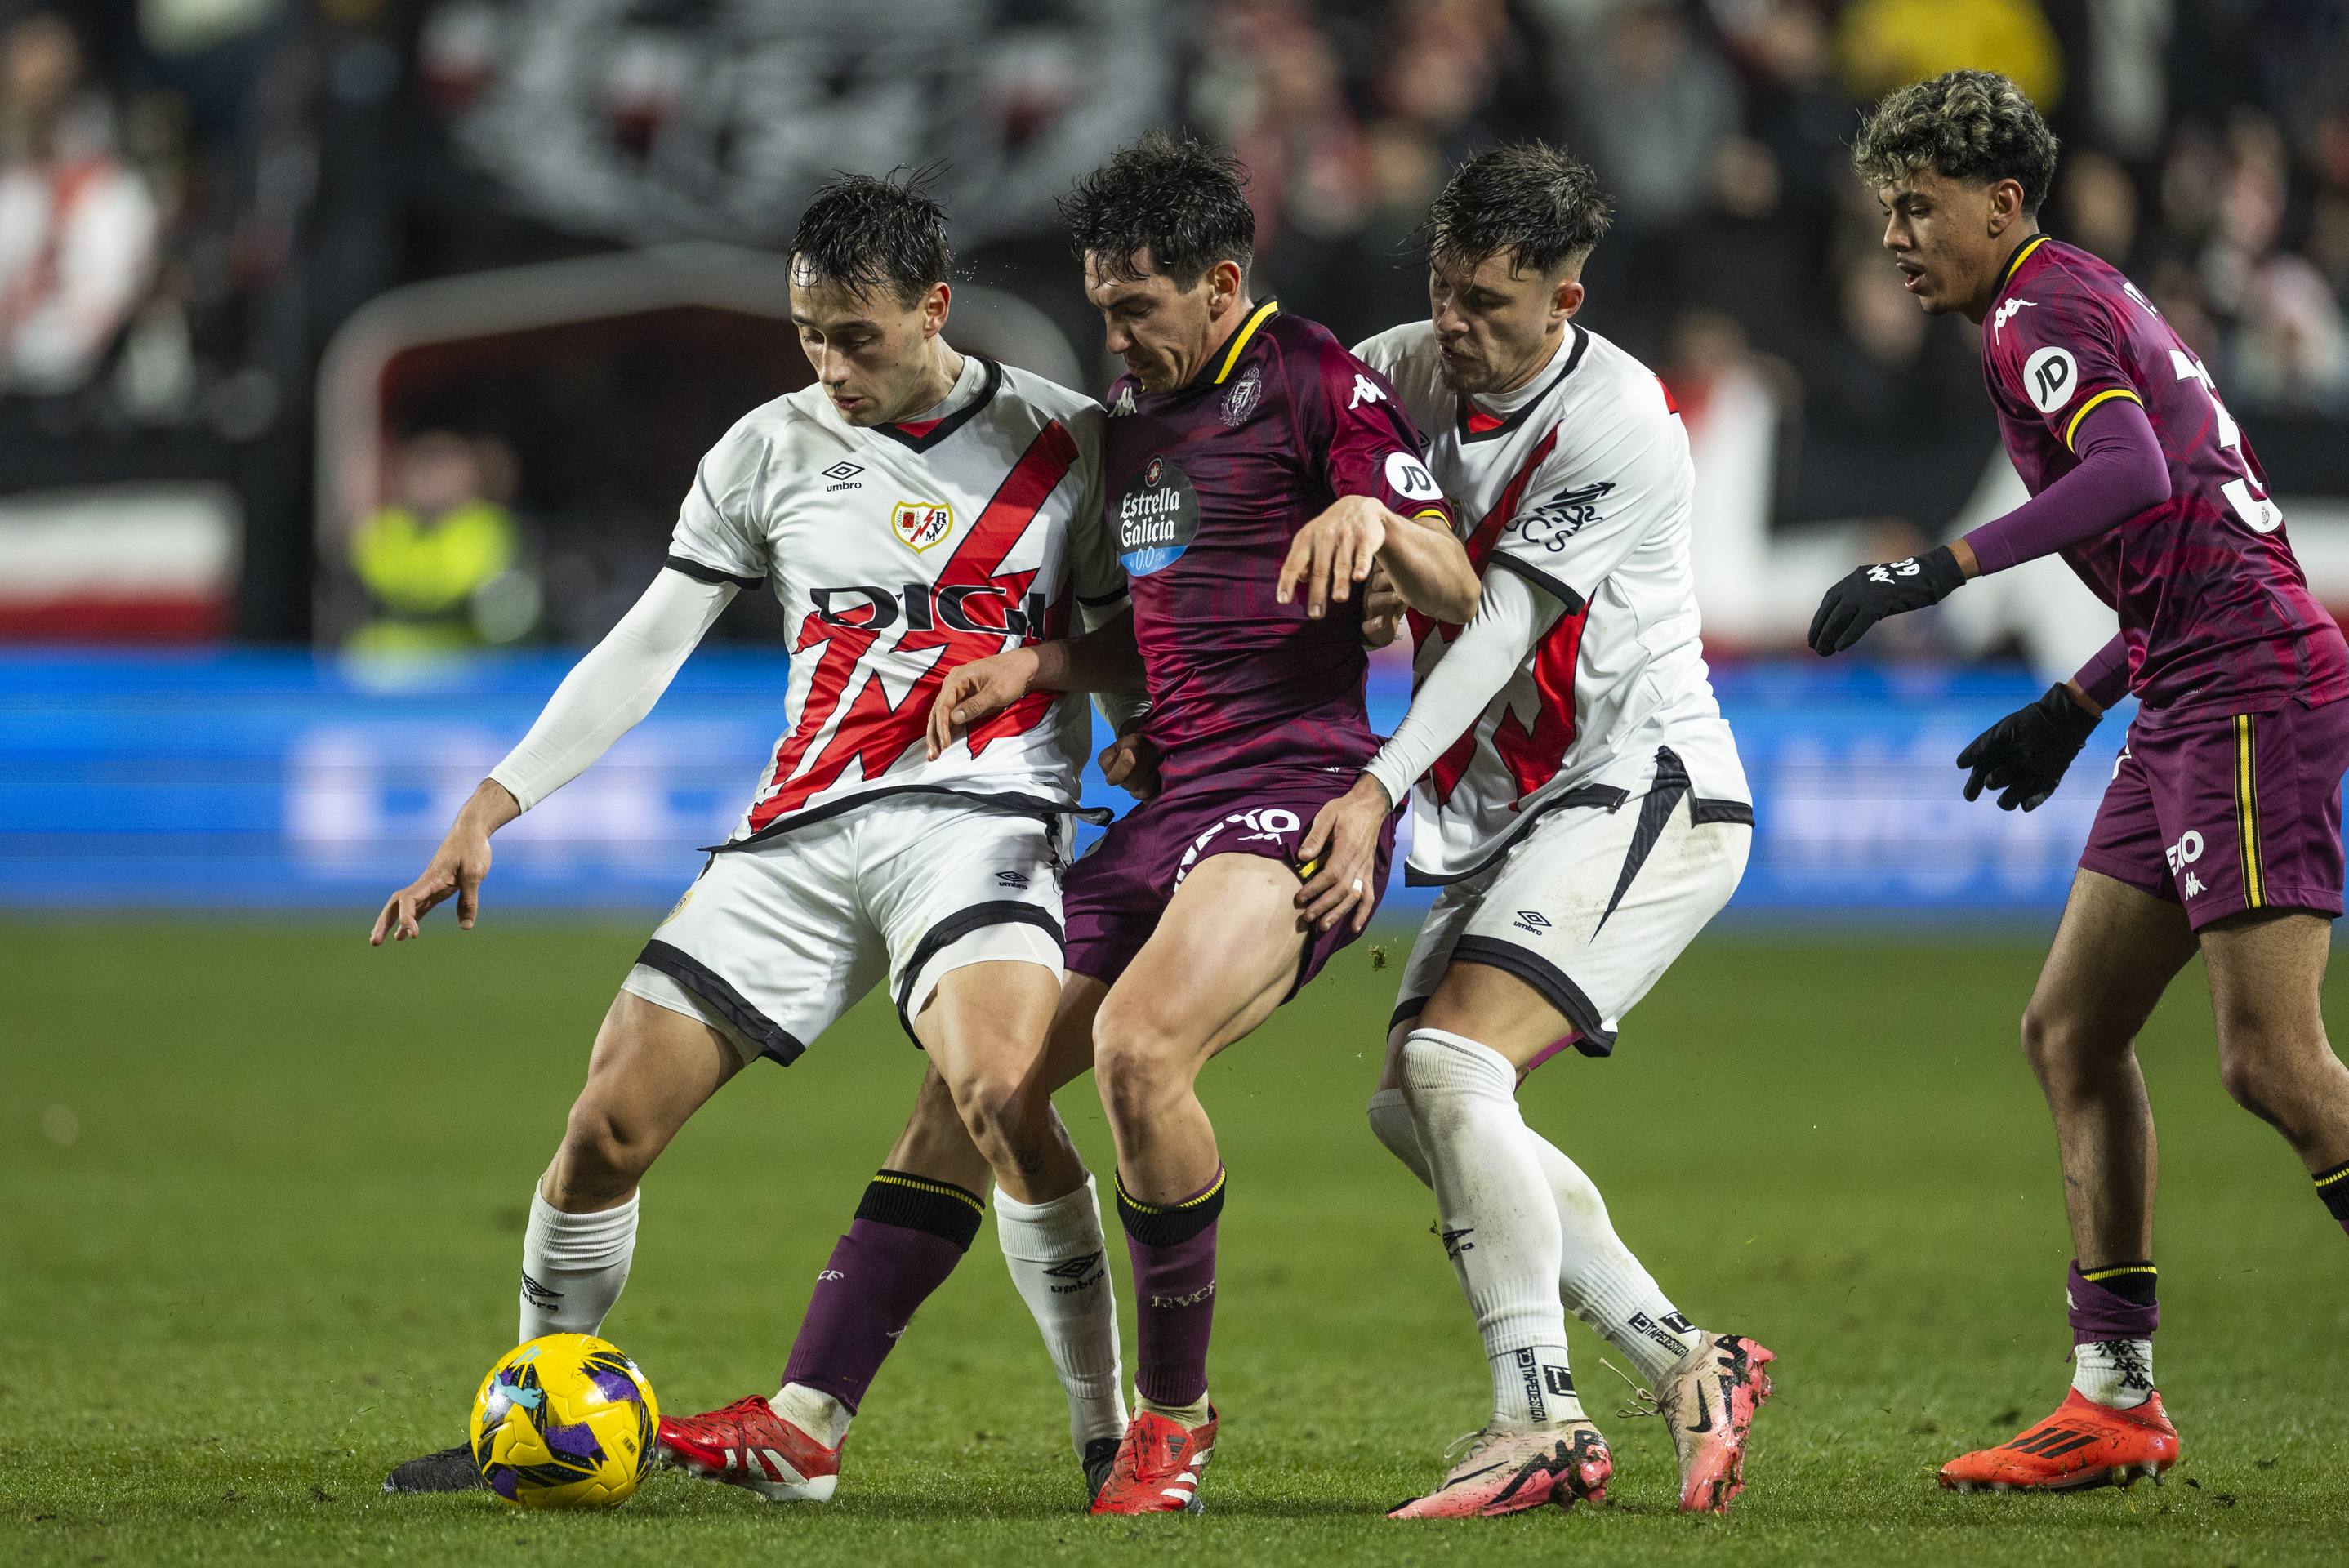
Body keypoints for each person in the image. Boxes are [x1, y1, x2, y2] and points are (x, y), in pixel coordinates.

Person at [375, 172, 1135, 1505]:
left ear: (934, 309)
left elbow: (1132, 642)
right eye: (808, 335)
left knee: (999, 1097)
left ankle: (1107, 1434)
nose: (828, 365)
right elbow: (647, 646)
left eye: (858, 336)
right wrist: (492, 804)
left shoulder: (1068, 441)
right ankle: (542, 1408)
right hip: (798, 835)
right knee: (607, 1123)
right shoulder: (766, 448)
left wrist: (1141, 734)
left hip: (983, 817)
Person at [1811, 69, 2349, 1493]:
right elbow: (2189, 525)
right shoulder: (2075, 297)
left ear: (2002, 204)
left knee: (2274, 1064)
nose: (1895, 238)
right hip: (2184, 681)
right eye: (1885, 212)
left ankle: (2119, 1394)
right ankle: (2114, 1399)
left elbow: (2127, 479)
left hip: (2246, 690)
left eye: (1918, 209)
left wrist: (1943, 565)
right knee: (2071, 1031)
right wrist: (2075, 700)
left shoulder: (2040, 313)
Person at [929, 130, 1480, 1515]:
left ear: (1223, 282)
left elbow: (1459, 588)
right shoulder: (1139, 418)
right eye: (1104, 304)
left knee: (1135, 1052)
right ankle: (830, 1410)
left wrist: (1373, 516)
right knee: (986, 1085)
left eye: (1137, 306)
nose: (1116, 334)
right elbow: (1176, 636)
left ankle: (1169, 1422)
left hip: (1298, 796)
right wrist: (1050, 667)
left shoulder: (1314, 379)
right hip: (1167, 802)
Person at [1297, 142, 1774, 1519]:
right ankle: (1686, 1357)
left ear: (1567, 298)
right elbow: (1356, 513)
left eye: (1490, 303)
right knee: (1415, 1105)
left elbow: (1505, 615)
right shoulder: (1402, 367)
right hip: (1508, 808)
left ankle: (1538, 1418)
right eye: (1444, 288)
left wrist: (1378, 782)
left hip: (1645, 784)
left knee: (1451, 1066)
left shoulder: (1620, 417)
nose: (1456, 324)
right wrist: (1362, 576)